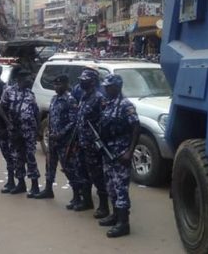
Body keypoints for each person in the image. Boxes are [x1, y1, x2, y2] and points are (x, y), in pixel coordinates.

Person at [98, 74, 140, 237]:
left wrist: (130, 151)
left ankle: (124, 224)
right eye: (105, 87)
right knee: (110, 187)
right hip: (108, 153)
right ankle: (115, 216)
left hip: (121, 153)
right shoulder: (107, 103)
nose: (106, 89)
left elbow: (136, 127)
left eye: (109, 87)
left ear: (117, 87)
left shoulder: (125, 105)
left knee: (121, 188)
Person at [34, 75, 79, 203]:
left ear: (66, 85)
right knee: (49, 166)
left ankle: (77, 195)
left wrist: (60, 134)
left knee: (68, 168)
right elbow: (51, 118)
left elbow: (73, 121)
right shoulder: (54, 99)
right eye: (55, 84)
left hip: (65, 142)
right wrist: (45, 132)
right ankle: (48, 190)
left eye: (59, 84)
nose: (56, 87)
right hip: (53, 140)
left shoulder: (70, 100)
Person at [73, 69, 109, 218]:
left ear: (93, 82)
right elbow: (80, 120)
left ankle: (104, 206)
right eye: (81, 79)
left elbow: (105, 122)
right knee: (82, 173)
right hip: (82, 143)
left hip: (93, 146)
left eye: (85, 80)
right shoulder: (84, 96)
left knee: (97, 176)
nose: (81, 82)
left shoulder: (99, 99)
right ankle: (87, 201)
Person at [0, 69, 41, 198]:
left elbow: (36, 111)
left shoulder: (30, 94)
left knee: (31, 158)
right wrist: (8, 124)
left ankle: (35, 186)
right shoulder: (9, 91)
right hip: (15, 131)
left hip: (29, 132)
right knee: (17, 157)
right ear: (20, 79)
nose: (29, 80)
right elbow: (1, 107)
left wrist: (37, 129)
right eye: (27, 79)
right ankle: (21, 184)